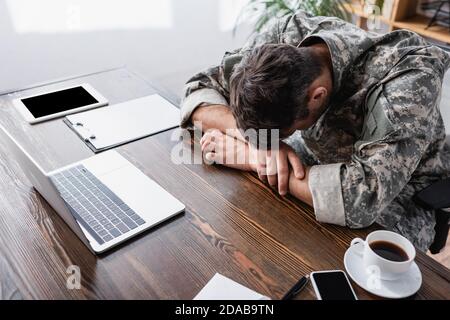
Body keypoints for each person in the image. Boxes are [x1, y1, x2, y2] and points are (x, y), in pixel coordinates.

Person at [179, 10, 450, 251]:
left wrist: (252, 160)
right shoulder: (285, 38)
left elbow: (360, 200)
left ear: (316, 96)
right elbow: (199, 86)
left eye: (279, 135)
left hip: (402, 192)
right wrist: (256, 143)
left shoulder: (408, 82)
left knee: (337, 257)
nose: (268, 142)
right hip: (318, 158)